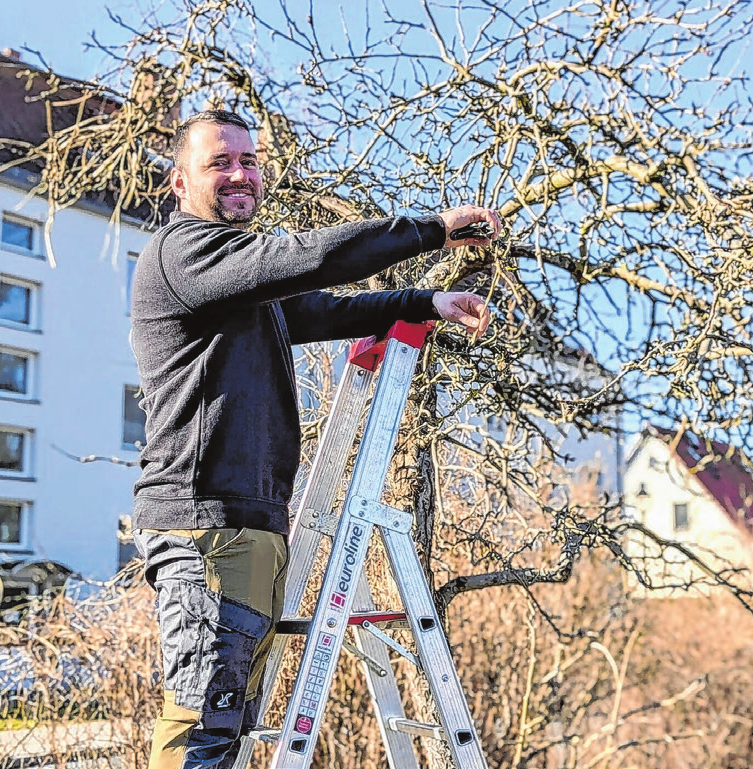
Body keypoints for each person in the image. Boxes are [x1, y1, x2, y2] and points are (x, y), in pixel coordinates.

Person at [129, 109, 500, 769]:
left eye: (248, 160)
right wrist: (430, 231)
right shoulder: (184, 252)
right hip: (205, 527)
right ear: (180, 183)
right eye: (219, 162)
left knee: (228, 724)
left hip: (249, 525)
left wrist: (421, 304)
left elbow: (316, 307)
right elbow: (307, 258)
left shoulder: (235, 280)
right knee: (201, 722)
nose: (240, 173)